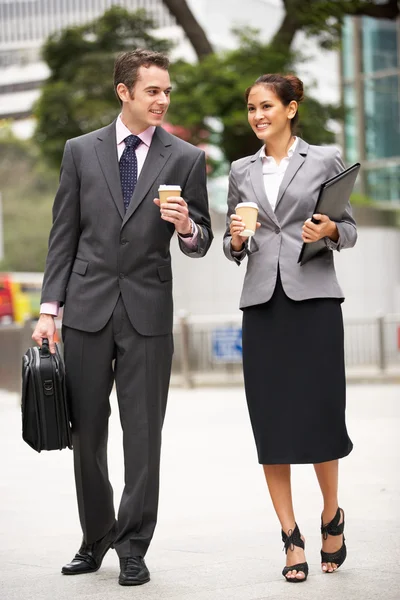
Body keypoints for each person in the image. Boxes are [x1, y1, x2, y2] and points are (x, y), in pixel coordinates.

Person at [32, 48, 213, 586]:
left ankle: (134, 545)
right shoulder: (80, 152)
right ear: (125, 92)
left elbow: (200, 241)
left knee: (143, 435)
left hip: (148, 313)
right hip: (86, 310)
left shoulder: (185, 157)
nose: (163, 100)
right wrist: (49, 310)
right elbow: (63, 234)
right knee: (86, 433)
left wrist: (186, 227)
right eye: (153, 90)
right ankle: (95, 537)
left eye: (167, 91)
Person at [223, 74, 357, 583]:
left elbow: (348, 228)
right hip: (262, 305)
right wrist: (237, 241)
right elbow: (235, 245)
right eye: (251, 108)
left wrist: (330, 231)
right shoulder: (240, 170)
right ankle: (290, 536)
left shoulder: (324, 159)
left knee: (322, 416)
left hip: (316, 302)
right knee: (272, 423)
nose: (257, 116)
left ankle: (331, 514)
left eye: (267, 106)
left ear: (291, 108)